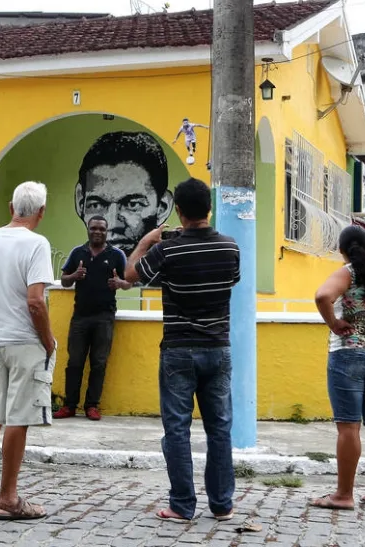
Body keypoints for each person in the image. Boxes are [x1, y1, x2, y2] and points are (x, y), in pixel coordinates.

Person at [124, 177, 240, 523]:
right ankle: (222, 505)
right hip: (218, 348)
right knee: (219, 428)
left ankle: (182, 505)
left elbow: (130, 274)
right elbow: (231, 281)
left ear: (178, 210)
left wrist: (147, 240)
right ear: (209, 208)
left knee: (177, 428)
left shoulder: (167, 250)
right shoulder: (230, 247)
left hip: (178, 349)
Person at [0, 181, 58, 521]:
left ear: (11, 207)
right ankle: (9, 498)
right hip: (24, 341)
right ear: (41, 212)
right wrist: (47, 339)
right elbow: (35, 300)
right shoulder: (37, 244)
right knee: (19, 417)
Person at [310, 225, 365, 511]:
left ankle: (343, 495)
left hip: (348, 355)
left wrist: (334, 324)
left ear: (342, 250)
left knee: (348, 426)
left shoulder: (348, 272)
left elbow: (323, 296)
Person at [53, 216, 131, 421]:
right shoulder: (77, 253)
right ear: (88, 230)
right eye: (94, 228)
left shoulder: (117, 255)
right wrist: (74, 276)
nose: (98, 232)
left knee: (99, 362)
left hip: (104, 317)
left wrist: (119, 283)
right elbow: (64, 281)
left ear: (107, 232)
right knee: (75, 361)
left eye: (102, 229)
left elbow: (129, 282)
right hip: (80, 317)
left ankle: (92, 405)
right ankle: (70, 405)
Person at [74, 131, 174, 257]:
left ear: (163, 207)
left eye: (132, 205)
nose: (112, 223)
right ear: (80, 204)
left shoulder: (170, 268)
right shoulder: (79, 260)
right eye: (96, 205)